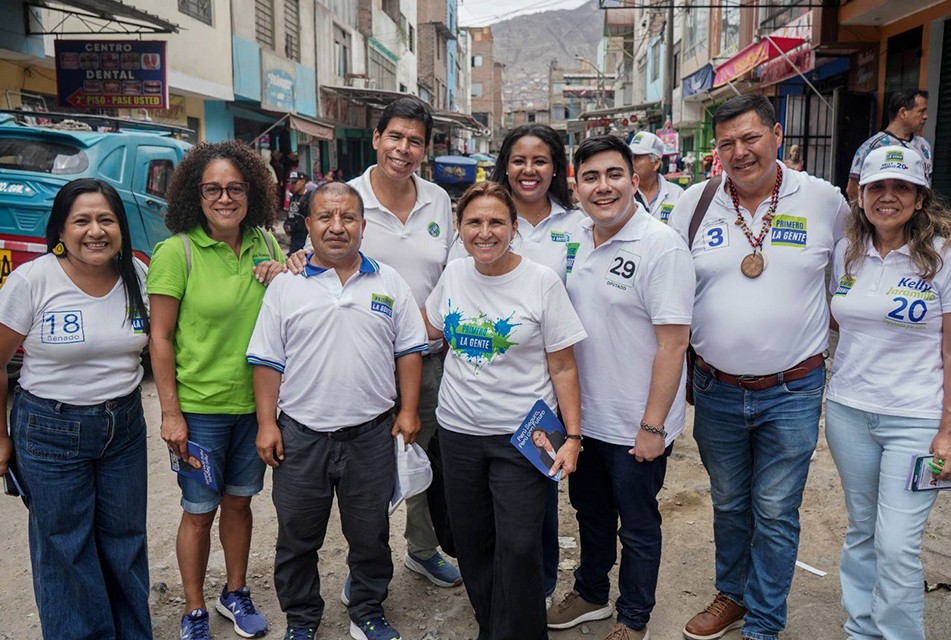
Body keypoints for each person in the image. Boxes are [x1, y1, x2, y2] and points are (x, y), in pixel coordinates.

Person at [667, 95, 850, 640]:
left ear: (776, 134)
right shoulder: (693, 205)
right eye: (727, 143)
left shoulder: (824, 201)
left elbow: (852, 281)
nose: (740, 152)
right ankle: (734, 594)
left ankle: (765, 620)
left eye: (750, 138)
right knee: (728, 502)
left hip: (793, 388)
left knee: (774, 508)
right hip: (716, 387)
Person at [249, 181, 426, 640]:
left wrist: (408, 411)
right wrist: (267, 424)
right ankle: (302, 619)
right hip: (301, 436)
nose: (337, 226)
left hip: (370, 436)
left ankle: (367, 611)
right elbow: (267, 361)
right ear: (308, 225)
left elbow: (409, 351)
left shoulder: (389, 282)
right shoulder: (286, 285)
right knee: (296, 538)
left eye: (348, 217)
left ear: (363, 226)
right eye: (325, 217)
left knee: (370, 535)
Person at [424, 181, 587, 640]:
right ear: (460, 229)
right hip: (457, 434)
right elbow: (428, 327)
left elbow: (564, 366)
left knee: (518, 545)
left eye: (497, 221)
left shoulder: (540, 281)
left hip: (524, 437)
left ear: (514, 228)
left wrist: (572, 438)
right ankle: (492, 627)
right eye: (474, 222)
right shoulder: (454, 274)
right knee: (473, 543)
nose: (485, 231)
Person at [547, 135, 694, 640]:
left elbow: (674, 345)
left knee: (637, 526)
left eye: (614, 175)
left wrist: (653, 426)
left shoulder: (661, 245)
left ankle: (634, 619)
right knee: (589, 513)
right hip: (583, 420)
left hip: (637, 422)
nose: (602, 187)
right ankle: (590, 593)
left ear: (635, 179)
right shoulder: (577, 239)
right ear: (576, 185)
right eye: (590, 177)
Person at [0, 178, 151, 639]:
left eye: (106, 219)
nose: (95, 230)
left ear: (121, 228)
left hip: (123, 426)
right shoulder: (33, 279)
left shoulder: (138, 275)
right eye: (81, 220)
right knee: (66, 549)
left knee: (125, 544)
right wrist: (0, 438)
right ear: (61, 231)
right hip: (49, 430)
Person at [147, 140, 285, 640]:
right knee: (199, 512)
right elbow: (159, 338)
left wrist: (284, 270)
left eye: (235, 188)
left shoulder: (267, 246)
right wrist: (170, 413)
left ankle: (235, 592)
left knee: (240, 504)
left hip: (255, 408)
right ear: (195, 195)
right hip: (200, 410)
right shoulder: (176, 251)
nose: (225, 198)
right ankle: (194, 608)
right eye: (213, 190)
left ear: (251, 192)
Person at [323, 97, 461, 591]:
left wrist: (434, 322)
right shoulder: (348, 198)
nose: (404, 150)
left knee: (420, 456)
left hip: (428, 360)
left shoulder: (439, 201)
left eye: (415, 142)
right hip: (365, 362)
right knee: (368, 472)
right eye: (396, 137)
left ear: (425, 148)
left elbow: (450, 274)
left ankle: (422, 551)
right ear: (377, 137)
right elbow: (319, 259)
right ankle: (367, 568)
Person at [451, 122, 586, 606]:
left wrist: (574, 431)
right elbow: (441, 312)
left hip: (553, 377)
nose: (529, 170)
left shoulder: (578, 223)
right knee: (493, 520)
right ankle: (508, 601)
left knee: (533, 513)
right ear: (504, 165)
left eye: (541, 160)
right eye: (519, 160)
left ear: (557, 167)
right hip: (487, 393)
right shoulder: (471, 241)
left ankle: (537, 590)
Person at [826, 145, 951, 640]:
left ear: (920, 198)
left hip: (917, 419)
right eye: (878, 187)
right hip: (849, 411)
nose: (888, 197)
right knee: (862, 531)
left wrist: (948, 428)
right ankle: (861, 630)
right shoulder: (845, 250)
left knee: (897, 545)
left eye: (902, 187)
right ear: (861, 195)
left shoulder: (942, 254)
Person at [847, 89, 932, 201]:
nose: (925, 116)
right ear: (903, 113)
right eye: (921, 111)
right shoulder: (872, 147)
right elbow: (852, 188)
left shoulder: (924, 146)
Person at [628, 130, 684, 224]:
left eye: (637, 158)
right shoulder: (623, 192)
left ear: (656, 163)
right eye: (630, 158)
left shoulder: (676, 194)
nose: (631, 163)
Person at [284, 171, 310, 253]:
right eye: (291, 183)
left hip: (304, 236)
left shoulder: (310, 197)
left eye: (294, 182)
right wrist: (286, 224)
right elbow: (291, 213)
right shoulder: (293, 197)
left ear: (303, 182)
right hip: (294, 236)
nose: (292, 185)